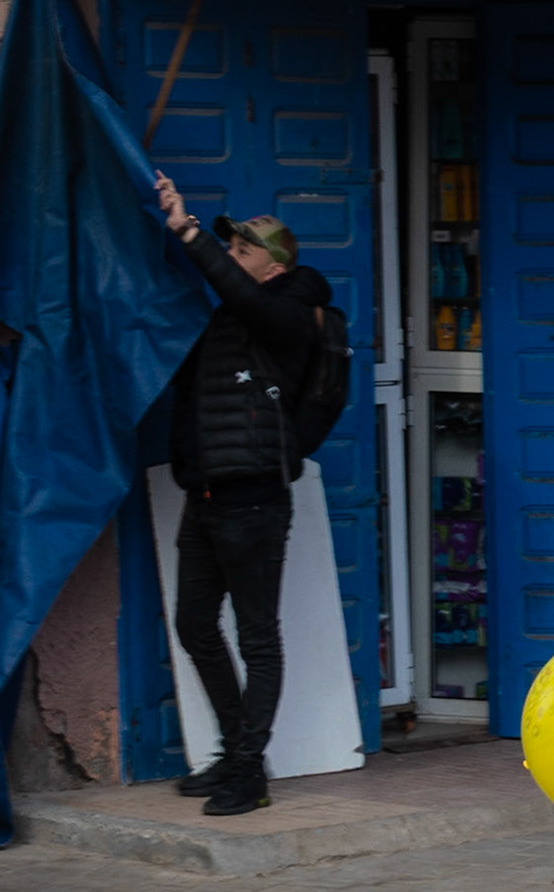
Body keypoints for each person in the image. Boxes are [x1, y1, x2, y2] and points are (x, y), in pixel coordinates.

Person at [154, 174, 332, 816]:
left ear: (275, 264)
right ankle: (234, 750)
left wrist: (188, 229)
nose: (232, 256)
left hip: (253, 499)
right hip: (207, 495)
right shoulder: (234, 315)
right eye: (228, 247)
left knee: (257, 635)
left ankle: (250, 772)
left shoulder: (288, 311)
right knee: (195, 622)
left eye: (242, 249)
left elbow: (239, 293)